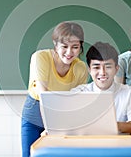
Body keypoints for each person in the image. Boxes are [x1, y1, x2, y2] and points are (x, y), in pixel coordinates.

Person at [21, 21, 88, 157]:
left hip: (61, 117)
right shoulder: (40, 57)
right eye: (64, 46)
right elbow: (43, 93)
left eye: (75, 47)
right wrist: (50, 128)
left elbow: (76, 101)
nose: (69, 52)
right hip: (35, 113)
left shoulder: (81, 68)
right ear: (55, 45)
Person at [71, 42, 131, 134]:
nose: (102, 72)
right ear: (89, 70)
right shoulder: (78, 93)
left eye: (108, 67)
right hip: (86, 145)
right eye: (96, 67)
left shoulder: (130, 93)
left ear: (116, 69)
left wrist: (111, 125)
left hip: (119, 145)